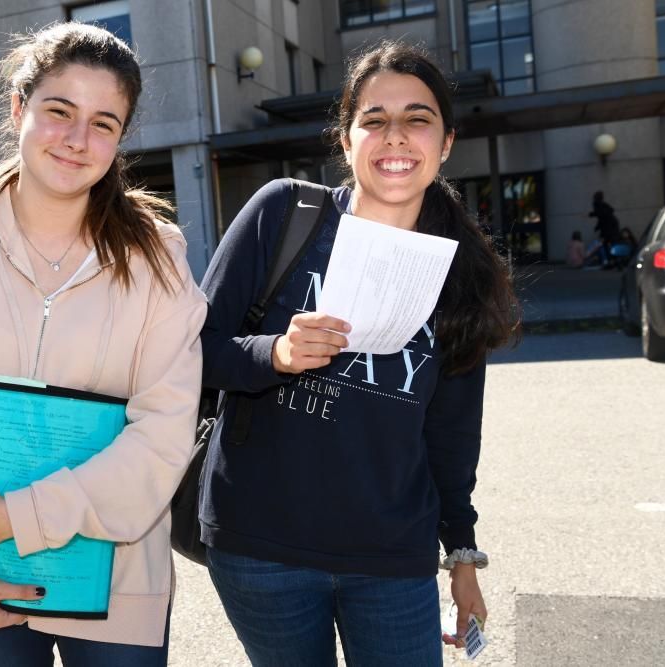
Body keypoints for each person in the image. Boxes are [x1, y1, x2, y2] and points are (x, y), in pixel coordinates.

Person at [0, 22, 206, 667]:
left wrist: (19, 515)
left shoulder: (159, 258)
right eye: (59, 111)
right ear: (19, 106)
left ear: (121, 138)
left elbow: (163, 435)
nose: (78, 140)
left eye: (104, 123)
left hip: (115, 585)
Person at [199, 40, 519, 665]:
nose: (395, 137)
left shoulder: (460, 271)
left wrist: (462, 556)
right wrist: (276, 354)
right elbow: (194, 352)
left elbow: (453, 434)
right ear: (346, 140)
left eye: (417, 119)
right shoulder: (284, 214)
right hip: (261, 549)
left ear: (446, 143)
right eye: (374, 120)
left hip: (392, 557)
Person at [589, 190, 619, 260]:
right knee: (610, 243)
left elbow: (601, 216)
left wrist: (597, 226)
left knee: (607, 243)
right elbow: (601, 215)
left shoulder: (598, 205)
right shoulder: (603, 205)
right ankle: (614, 260)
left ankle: (611, 260)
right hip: (611, 226)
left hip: (608, 228)